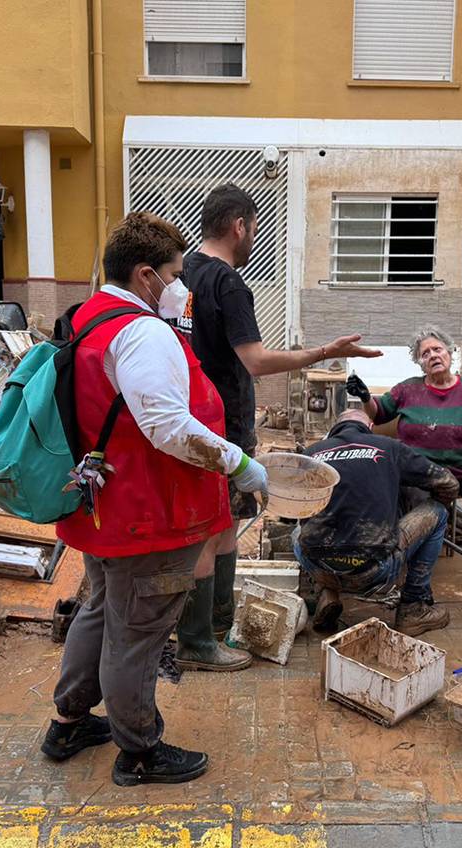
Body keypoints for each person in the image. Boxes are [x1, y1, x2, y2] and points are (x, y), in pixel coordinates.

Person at [41, 212, 270, 787]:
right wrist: (239, 462)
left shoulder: (88, 316)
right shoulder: (141, 331)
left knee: (100, 610)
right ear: (146, 275)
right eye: (173, 274)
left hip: (106, 504)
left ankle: (70, 721)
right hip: (149, 515)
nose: (181, 286)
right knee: (137, 633)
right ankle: (139, 750)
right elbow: (168, 425)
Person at [174, 183, 381, 672]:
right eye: (252, 229)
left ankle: (217, 628)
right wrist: (326, 352)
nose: (252, 240)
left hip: (190, 418)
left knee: (221, 527)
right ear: (238, 226)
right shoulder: (227, 283)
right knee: (210, 531)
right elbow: (257, 360)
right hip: (220, 424)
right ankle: (197, 641)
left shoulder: (180, 275)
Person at [293, 410, 459, 636]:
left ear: (335, 428)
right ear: (369, 426)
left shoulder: (311, 454)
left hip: (317, 565)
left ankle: (326, 591)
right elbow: (448, 482)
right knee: (438, 513)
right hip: (374, 570)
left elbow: (289, 504)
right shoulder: (388, 447)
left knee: (298, 529)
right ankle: (413, 607)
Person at [347, 325, 462, 529]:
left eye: (437, 349)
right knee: (420, 519)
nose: (433, 356)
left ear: (449, 352)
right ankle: (421, 556)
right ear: (421, 364)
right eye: (425, 353)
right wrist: (365, 397)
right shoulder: (408, 388)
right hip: (419, 474)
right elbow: (378, 414)